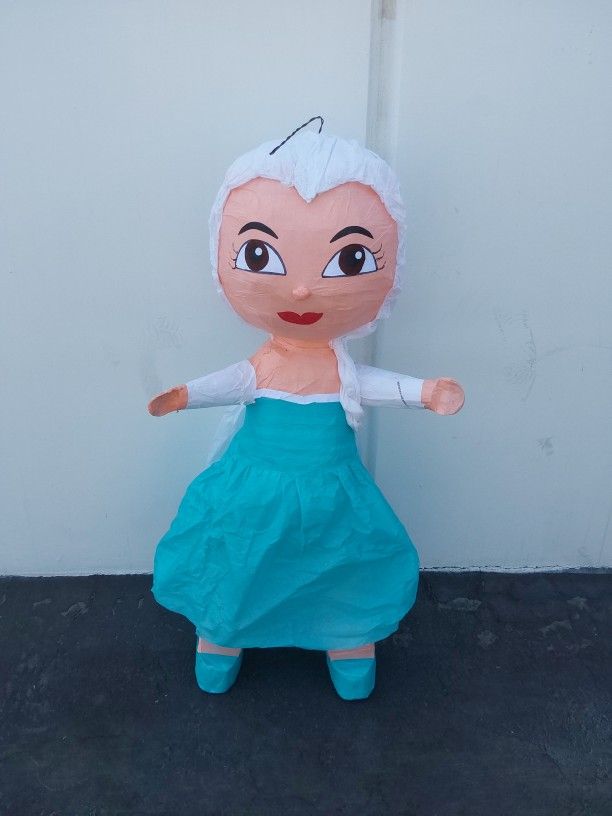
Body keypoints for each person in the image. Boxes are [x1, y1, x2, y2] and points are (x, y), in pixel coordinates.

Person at [148, 124, 464, 700]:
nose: (300, 292)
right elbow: (233, 382)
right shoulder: (264, 365)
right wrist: (184, 395)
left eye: (349, 259)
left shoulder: (340, 370)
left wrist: (424, 392)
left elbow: (373, 384)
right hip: (253, 492)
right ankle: (222, 633)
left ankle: (348, 639)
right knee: (240, 558)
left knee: (341, 563)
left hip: (331, 492)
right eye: (259, 254)